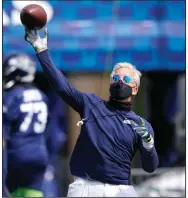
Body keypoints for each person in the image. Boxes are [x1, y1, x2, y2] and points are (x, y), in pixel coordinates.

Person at [24, 28, 159, 197]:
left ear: (135, 89)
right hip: (86, 187)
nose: (119, 82)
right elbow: (61, 86)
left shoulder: (141, 125)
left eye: (125, 79)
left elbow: (150, 167)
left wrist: (148, 144)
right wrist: (41, 50)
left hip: (121, 189)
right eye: (115, 79)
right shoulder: (91, 104)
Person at [3, 53, 49, 197]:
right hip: (39, 154)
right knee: (33, 193)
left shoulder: (10, 97)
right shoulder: (42, 95)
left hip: (16, 154)